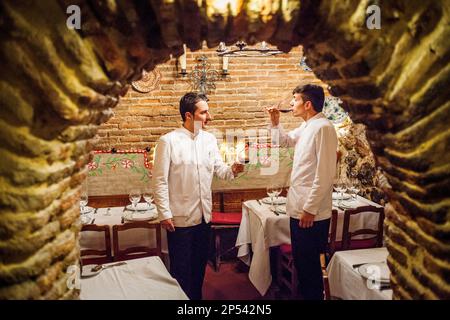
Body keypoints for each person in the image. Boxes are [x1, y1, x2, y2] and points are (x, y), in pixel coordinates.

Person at [152, 92, 244, 300]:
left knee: (199, 266)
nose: (209, 116)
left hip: (204, 217)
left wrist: (234, 169)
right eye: (204, 112)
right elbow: (159, 181)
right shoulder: (168, 141)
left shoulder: (209, 140)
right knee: (181, 270)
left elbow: (220, 170)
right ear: (188, 116)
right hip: (180, 218)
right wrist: (164, 213)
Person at [267, 84, 338, 300]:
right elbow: (282, 141)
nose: (291, 103)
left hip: (311, 214)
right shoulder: (308, 126)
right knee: (302, 264)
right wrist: (275, 123)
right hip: (298, 209)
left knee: (311, 271)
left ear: (307, 104)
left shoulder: (324, 127)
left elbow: (325, 174)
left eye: (295, 99)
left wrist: (310, 209)